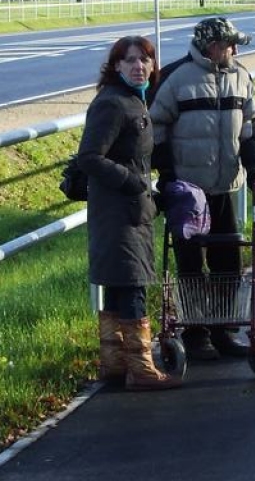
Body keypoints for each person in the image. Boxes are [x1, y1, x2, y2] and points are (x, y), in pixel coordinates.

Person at [150, 17, 255, 360]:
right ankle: (194, 333)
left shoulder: (241, 77)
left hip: (223, 188)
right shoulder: (175, 79)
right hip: (188, 191)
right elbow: (156, 127)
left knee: (228, 262)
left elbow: (250, 128)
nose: (233, 50)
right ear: (209, 45)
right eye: (227, 44)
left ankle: (223, 331)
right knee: (189, 263)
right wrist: (168, 172)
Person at [77, 36, 182, 391]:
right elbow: (90, 156)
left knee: (118, 285)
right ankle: (141, 370)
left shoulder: (134, 101)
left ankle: (115, 364)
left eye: (145, 60)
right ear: (116, 66)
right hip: (119, 210)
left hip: (128, 209)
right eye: (130, 60)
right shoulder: (113, 104)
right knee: (132, 284)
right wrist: (133, 182)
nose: (139, 66)